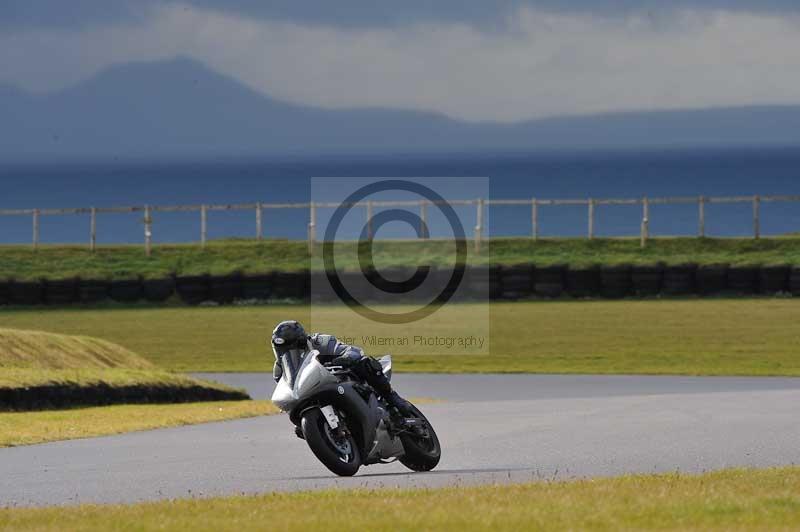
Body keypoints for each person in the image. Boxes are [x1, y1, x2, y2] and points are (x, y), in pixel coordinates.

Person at [270, 320, 410, 413]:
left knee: (365, 363)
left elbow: (352, 350)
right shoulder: (280, 369)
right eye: (283, 349)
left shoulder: (319, 341)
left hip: (342, 378)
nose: (289, 352)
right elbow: (289, 389)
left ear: (300, 341)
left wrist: (345, 358)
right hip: (315, 394)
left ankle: (392, 397)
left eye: (292, 347)